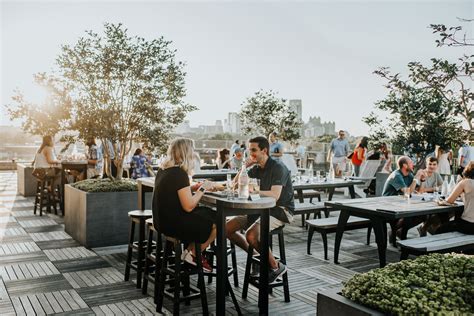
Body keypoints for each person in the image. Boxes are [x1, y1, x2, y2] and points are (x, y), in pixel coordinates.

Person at [226, 136, 295, 284]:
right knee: (226, 228)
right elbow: (234, 184)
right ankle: (257, 255)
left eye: (253, 150)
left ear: (264, 150)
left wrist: (255, 190)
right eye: (249, 150)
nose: (250, 153)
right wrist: (244, 167)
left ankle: (276, 266)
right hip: (258, 209)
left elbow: (275, 196)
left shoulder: (278, 167)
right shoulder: (256, 168)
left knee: (252, 235)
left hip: (280, 210)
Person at [152, 138, 216, 271]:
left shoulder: (164, 170)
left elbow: (174, 191)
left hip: (161, 222)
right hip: (174, 224)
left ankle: (189, 252)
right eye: (192, 150)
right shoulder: (179, 174)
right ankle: (192, 253)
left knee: (208, 214)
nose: (194, 153)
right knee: (218, 221)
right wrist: (203, 188)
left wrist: (193, 188)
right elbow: (188, 206)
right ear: (186, 152)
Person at [435, 161, 474, 234]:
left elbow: (449, 201)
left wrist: (439, 201)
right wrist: (463, 195)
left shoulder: (465, 182)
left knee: (440, 230)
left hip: (469, 225)